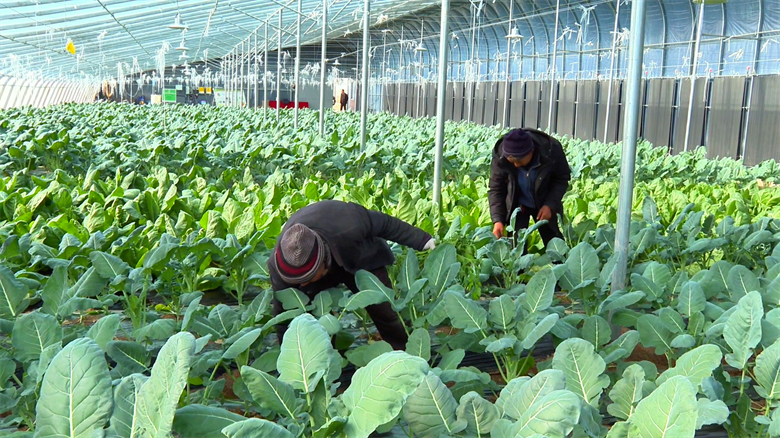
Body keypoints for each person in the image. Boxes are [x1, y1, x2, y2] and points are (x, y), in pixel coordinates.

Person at [268, 200, 435, 350]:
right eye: (298, 281)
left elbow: (386, 224)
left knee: (385, 309)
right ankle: (328, 361)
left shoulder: (349, 223)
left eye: (306, 279)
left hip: (359, 257)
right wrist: (288, 351)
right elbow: (283, 315)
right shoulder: (281, 266)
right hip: (323, 264)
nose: (302, 285)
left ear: (323, 263)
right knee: (315, 321)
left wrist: (423, 241)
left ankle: (406, 352)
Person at [489, 128, 571, 248]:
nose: (516, 165)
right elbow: (496, 188)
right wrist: (498, 220)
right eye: (512, 162)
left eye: (519, 160)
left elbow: (561, 179)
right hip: (517, 204)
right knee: (516, 246)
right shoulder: (501, 156)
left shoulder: (551, 150)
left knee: (555, 243)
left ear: (531, 151)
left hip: (544, 199)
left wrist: (549, 205)